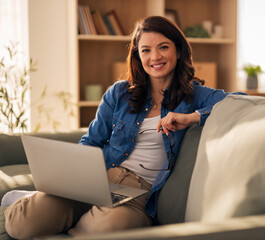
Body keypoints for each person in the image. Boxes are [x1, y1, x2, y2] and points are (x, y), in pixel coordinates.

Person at [4, 16, 245, 239]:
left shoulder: (195, 96)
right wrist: (72, 178)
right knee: (21, 224)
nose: (155, 57)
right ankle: (48, 206)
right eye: (146, 50)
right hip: (99, 177)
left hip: (138, 195)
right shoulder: (119, 93)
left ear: (178, 50)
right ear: (138, 56)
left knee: (106, 227)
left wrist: (191, 117)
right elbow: (91, 142)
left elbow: (241, 101)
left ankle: (77, 218)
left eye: (163, 47)